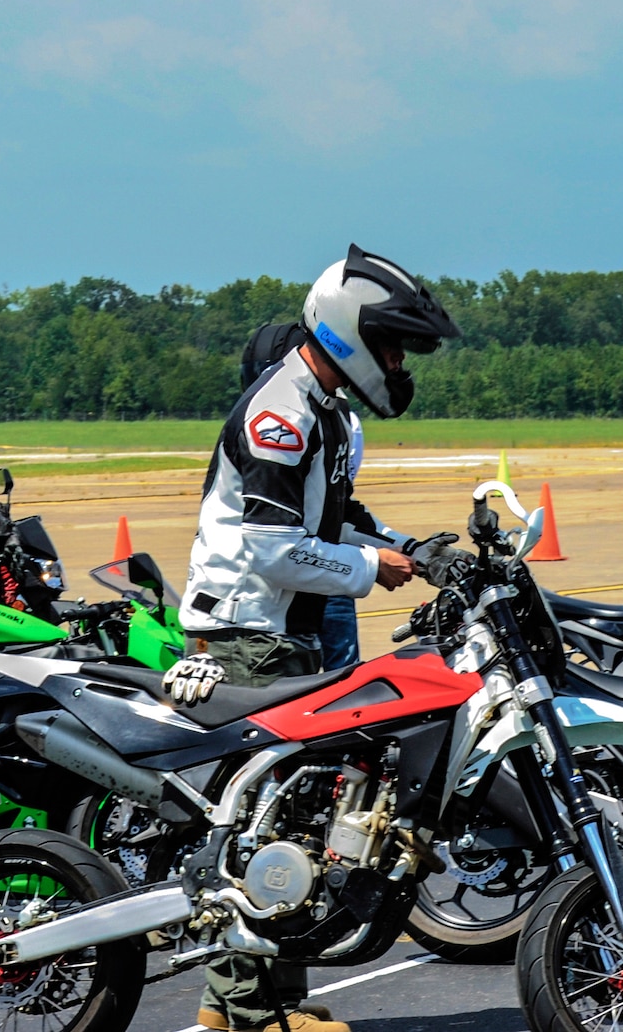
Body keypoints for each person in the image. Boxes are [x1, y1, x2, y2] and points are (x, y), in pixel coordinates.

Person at [169, 247, 472, 1032]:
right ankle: (247, 1012)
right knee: (265, 820)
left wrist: (418, 548)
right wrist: (376, 566)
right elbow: (272, 547)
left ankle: (252, 1002)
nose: (400, 363)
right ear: (350, 332)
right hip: (249, 635)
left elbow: (334, 518)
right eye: (394, 346)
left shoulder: (328, 410)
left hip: (282, 633)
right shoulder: (283, 411)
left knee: (290, 819)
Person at [238, 320, 369, 671]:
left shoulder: (288, 416)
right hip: (331, 561)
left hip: (303, 570)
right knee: (343, 676)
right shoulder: (341, 418)